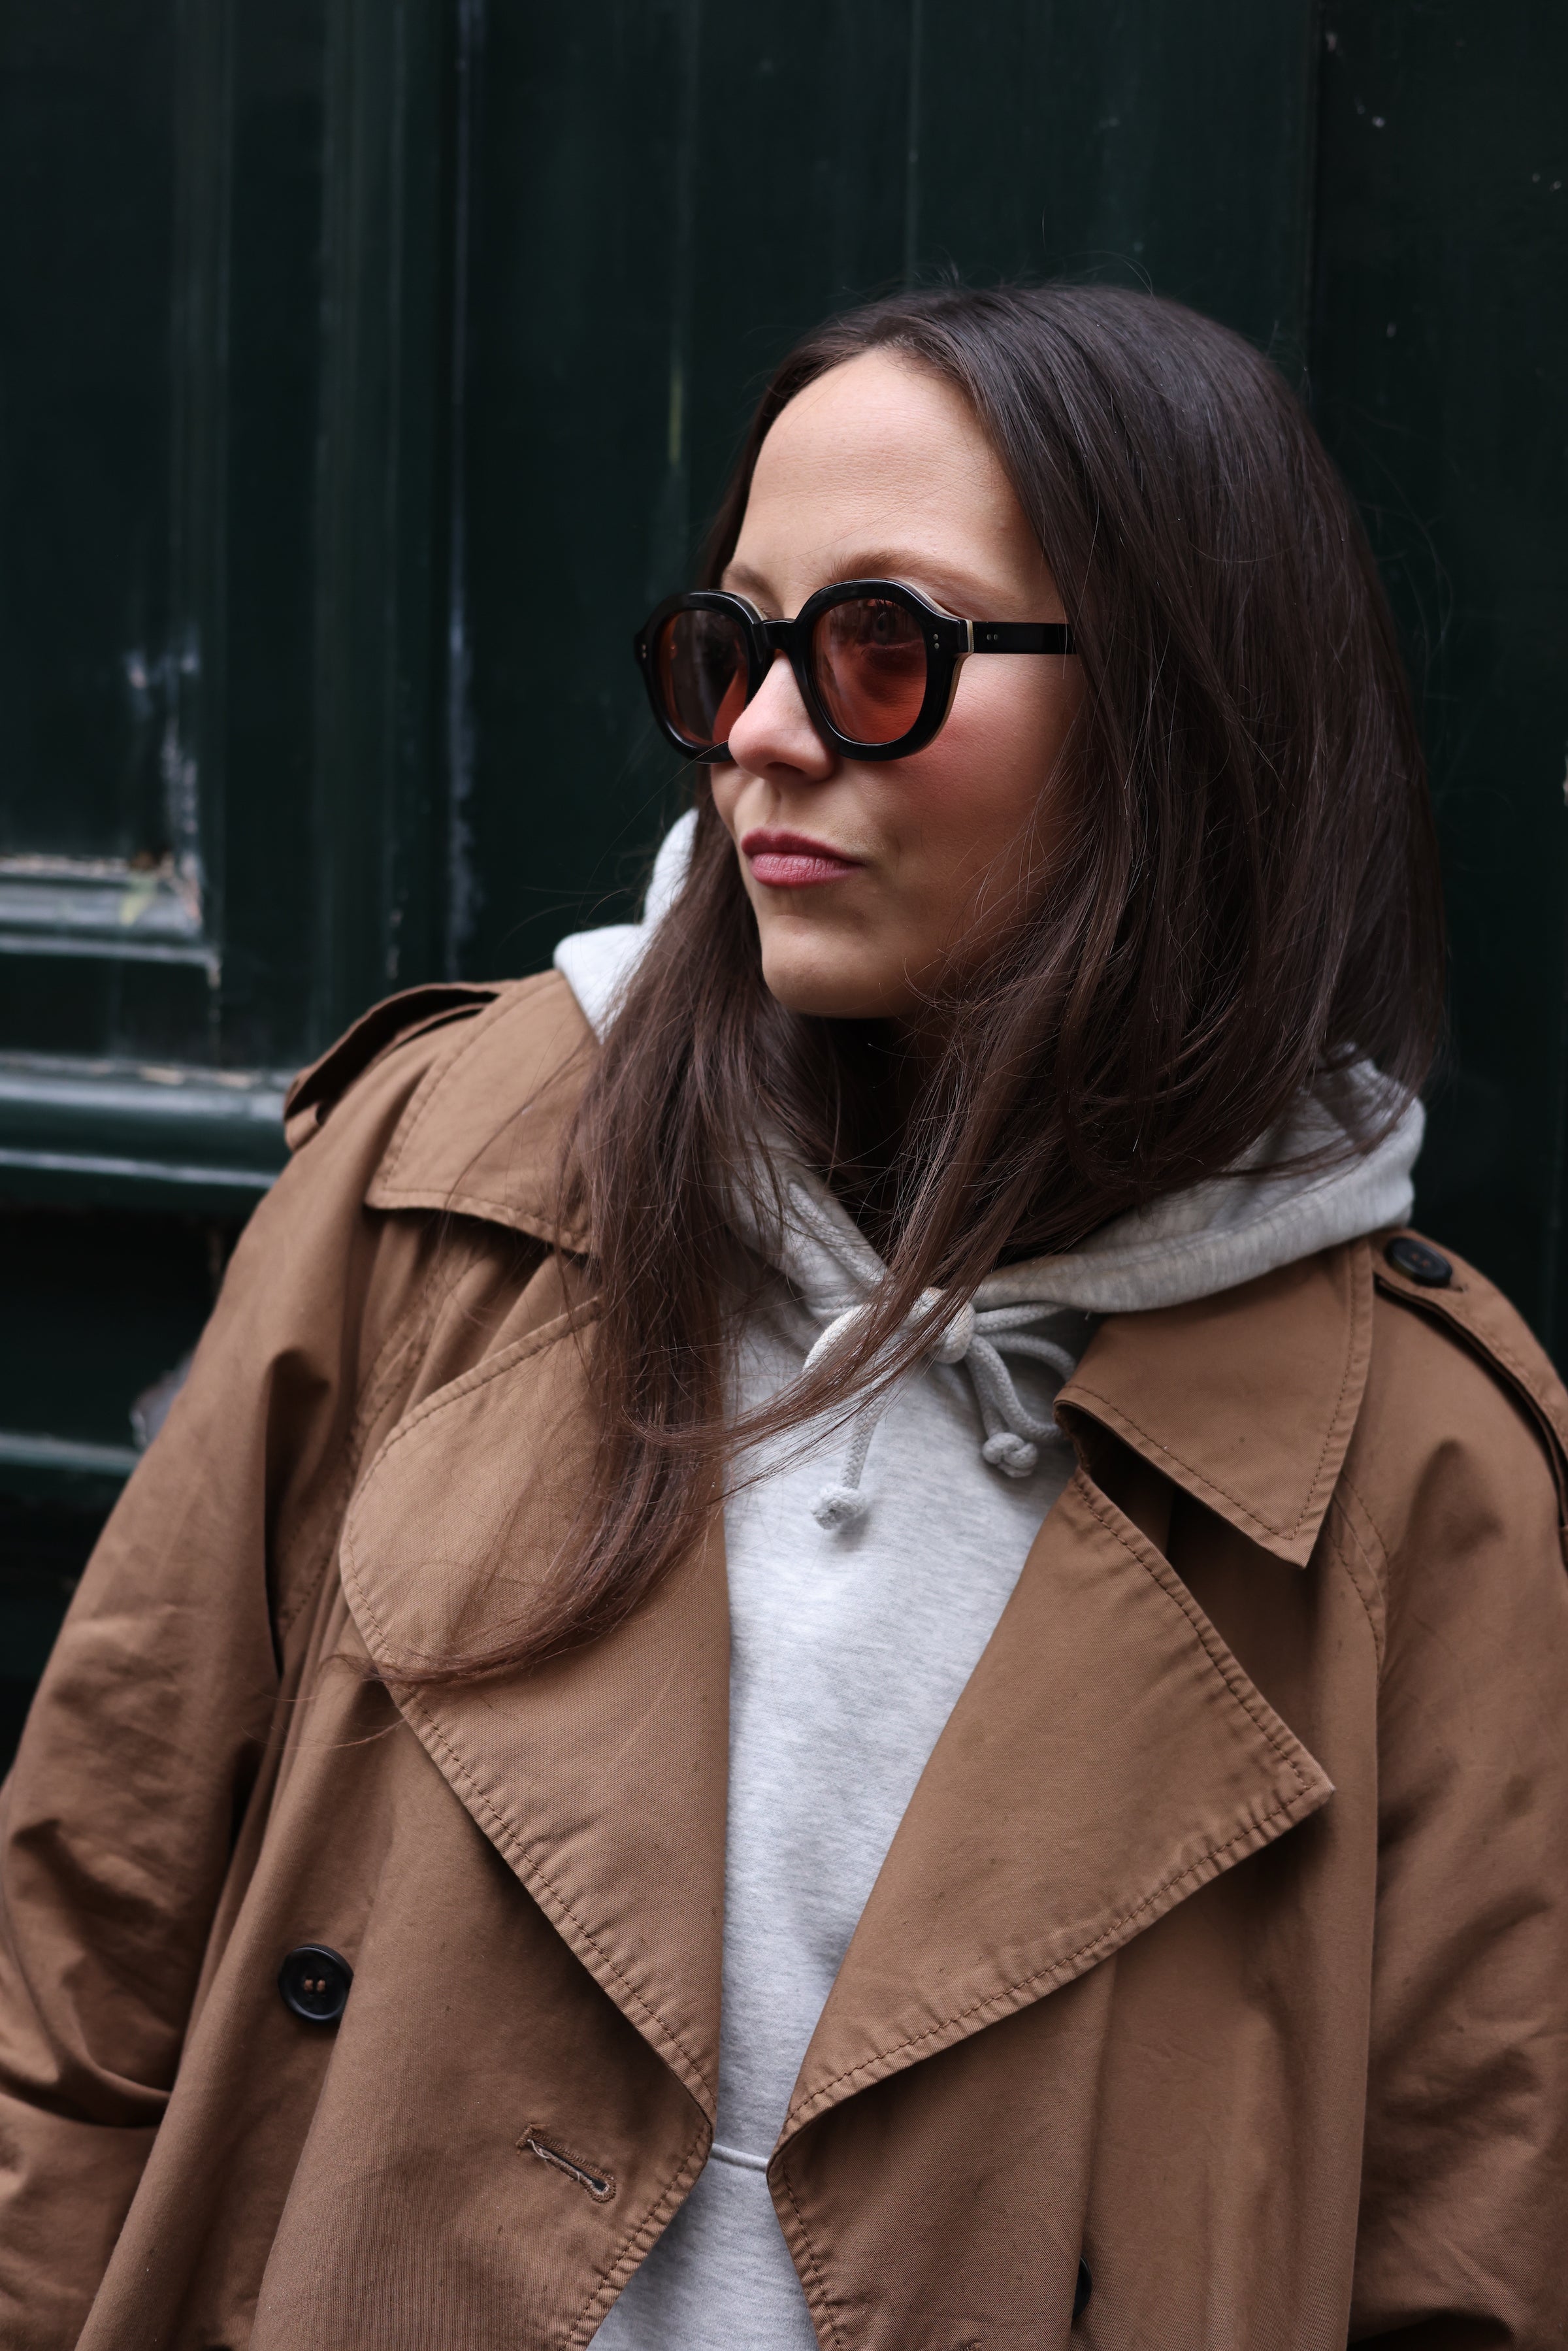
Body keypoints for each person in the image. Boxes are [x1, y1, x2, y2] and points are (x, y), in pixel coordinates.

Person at [1, 284, 1565, 2351]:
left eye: (887, 652)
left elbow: (1460, 2262)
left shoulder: (1417, 1464)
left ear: (1183, 714)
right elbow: (85, 1947)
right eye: (731, 648)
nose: (755, 734)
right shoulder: (445, 1176)